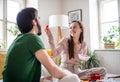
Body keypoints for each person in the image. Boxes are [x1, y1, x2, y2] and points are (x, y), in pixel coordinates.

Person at [2, 8, 80, 82]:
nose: (40, 21)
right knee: (74, 78)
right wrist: (69, 76)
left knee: (49, 76)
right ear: (34, 22)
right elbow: (53, 70)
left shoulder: (17, 40)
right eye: (38, 18)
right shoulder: (33, 38)